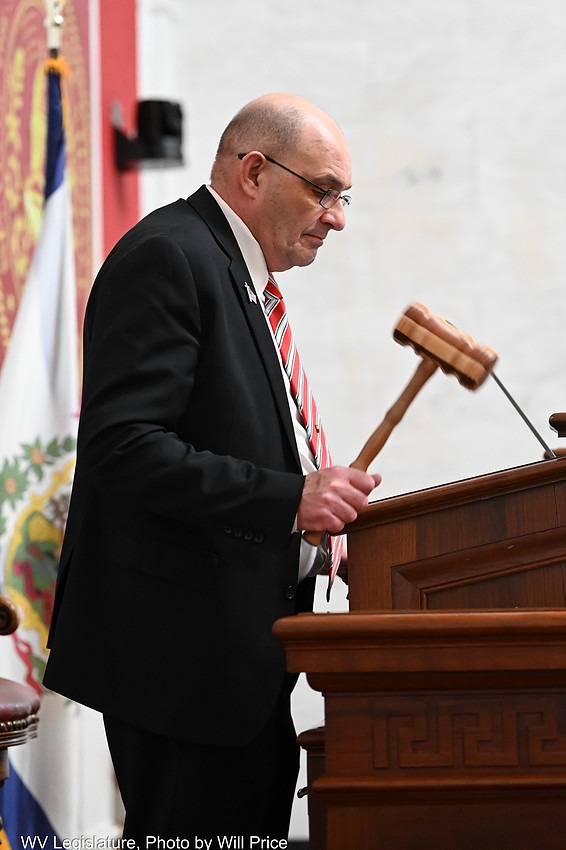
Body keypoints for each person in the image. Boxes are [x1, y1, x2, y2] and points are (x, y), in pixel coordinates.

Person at [43, 92, 381, 843]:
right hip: (181, 662)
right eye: (323, 190)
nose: (337, 217)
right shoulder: (172, 255)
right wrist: (293, 500)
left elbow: (239, 436)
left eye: (343, 196)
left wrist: (319, 531)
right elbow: (123, 447)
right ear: (255, 171)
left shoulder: (238, 269)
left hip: (240, 656)